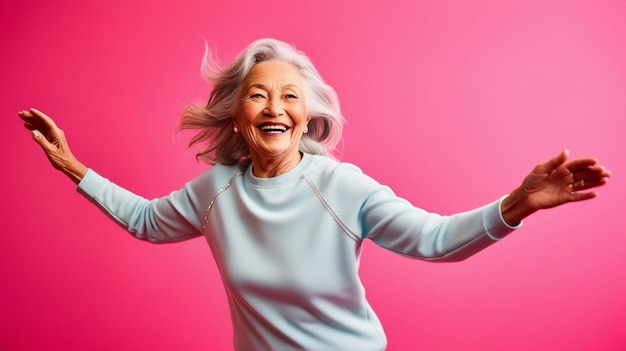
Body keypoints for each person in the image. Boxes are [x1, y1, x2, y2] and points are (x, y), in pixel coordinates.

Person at [19, 38, 611, 351]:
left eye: (290, 96)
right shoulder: (215, 192)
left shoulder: (338, 186)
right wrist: (73, 166)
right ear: (235, 115)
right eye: (258, 94)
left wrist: (519, 203)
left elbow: (434, 240)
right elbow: (148, 221)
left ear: (309, 116)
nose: (274, 106)